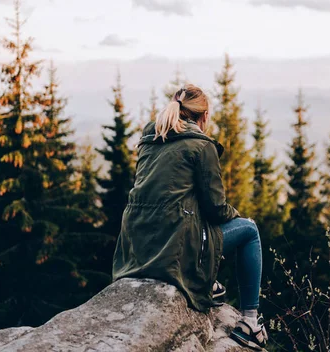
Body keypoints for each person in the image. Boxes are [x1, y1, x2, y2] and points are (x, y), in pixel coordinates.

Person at [111, 84, 268, 350]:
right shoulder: (200, 147)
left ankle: (208, 281)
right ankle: (250, 323)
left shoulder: (150, 139)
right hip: (173, 247)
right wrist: (237, 216)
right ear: (204, 116)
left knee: (188, 215)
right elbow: (215, 208)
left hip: (135, 247)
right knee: (249, 231)